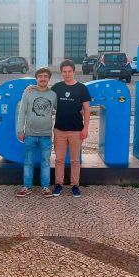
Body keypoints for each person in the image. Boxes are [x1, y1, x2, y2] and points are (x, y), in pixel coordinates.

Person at [51, 59, 91, 198]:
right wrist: (31, 88)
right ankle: (58, 184)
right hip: (59, 130)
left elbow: (86, 109)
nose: (67, 74)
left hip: (76, 131)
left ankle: (75, 185)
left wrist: (85, 128)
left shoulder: (82, 88)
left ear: (74, 72)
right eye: (64, 72)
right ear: (61, 72)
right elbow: (44, 95)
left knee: (75, 160)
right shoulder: (56, 87)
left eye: (69, 71)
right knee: (59, 160)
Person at [16, 67, 57, 198]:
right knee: (28, 162)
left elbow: (62, 110)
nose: (43, 78)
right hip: (29, 134)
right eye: (40, 76)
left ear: (49, 79)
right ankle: (26, 186)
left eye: (45, 76)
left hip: (46, 135)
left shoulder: (53, 94)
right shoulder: (28, 92)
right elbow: (22, 112)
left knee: (45, 162)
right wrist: (19, 130)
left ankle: (45, 187)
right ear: (36, 78)